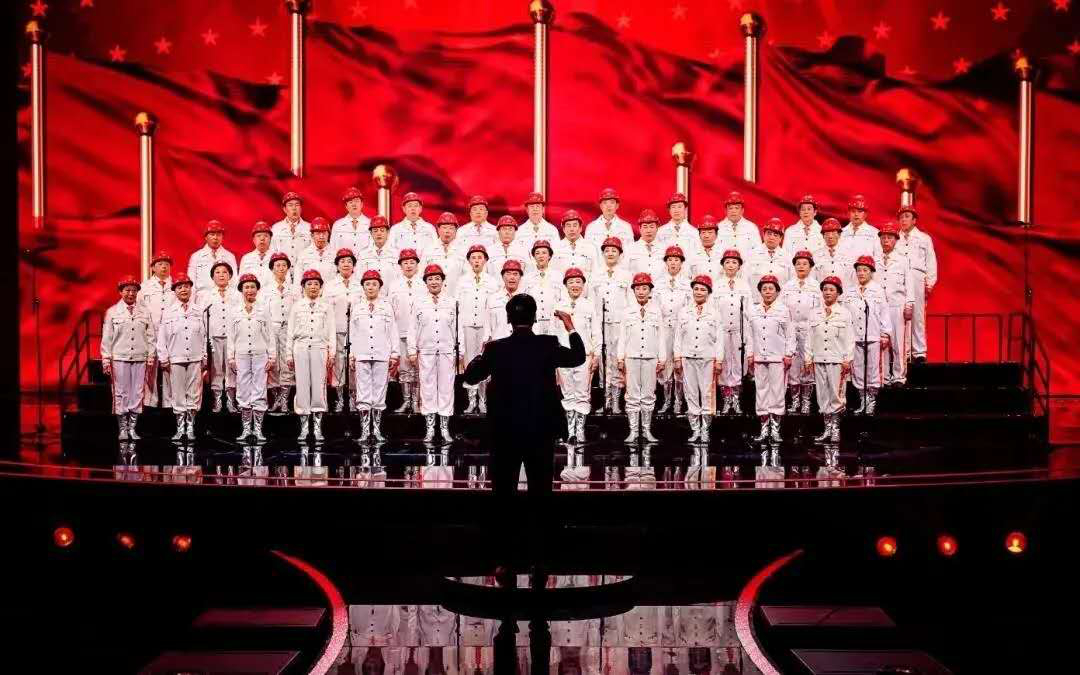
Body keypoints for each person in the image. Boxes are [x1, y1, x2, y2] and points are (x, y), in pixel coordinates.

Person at [462, 295, 585, 544]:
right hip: (540, 430)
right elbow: (578, 357)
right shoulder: (547, 344)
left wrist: (483, 352)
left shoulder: (496, 348)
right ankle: (541, 544)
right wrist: (570, 326)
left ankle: (503, 545)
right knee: (541, 491)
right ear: (534, 318)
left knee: (503, 491)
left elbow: (471, 376)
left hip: (505, 431)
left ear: (508, 319)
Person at [407, 264, 459, 443]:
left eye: (437, 278)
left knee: (446, 388)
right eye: (430, 279)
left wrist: (460, 351)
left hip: (446, 350)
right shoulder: (419, 303)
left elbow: (457, 327)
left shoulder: (452, 302)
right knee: (428, 388)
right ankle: (430, 428)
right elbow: (412, 328)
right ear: (426, 282)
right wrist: (412, 350)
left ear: (443, 281)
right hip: (426, 351)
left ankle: (444, 428)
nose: (434, 282)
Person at [102, 276, 155, 440]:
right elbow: (107, 338)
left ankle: (132, 428)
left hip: (140, 357)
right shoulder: (112, 312)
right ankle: (123, 428)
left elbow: (151, 336)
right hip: (120, 358)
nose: (131, 293)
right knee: (121, 393)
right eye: (127, 290)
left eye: (134, 290)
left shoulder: (145, 312)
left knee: (137, 393)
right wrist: (106, 359)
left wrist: (151, 356)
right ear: (121, 292)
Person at [746, 275, 795, 451]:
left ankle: (775, 429)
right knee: (761, 392)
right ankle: (763, 428)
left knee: (777, 391)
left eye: (771, 289)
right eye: (764, 288)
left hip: (777, 357)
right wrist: (750, 355)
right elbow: (750, 336)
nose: (767, 292)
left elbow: (790, 334)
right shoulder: (753, 310)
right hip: (760, 357)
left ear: (777, 291)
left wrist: (788, 354)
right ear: (760, 291)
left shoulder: (783, 310)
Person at [350, 270, 400, 442]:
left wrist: (394, 354)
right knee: (363, 392)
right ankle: (365, 431)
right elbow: (353, 333)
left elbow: (393, 331)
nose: (371, 287)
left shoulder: (386, 307)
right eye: (367, 284)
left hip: (381, 353)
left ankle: (377, 430)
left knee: (379, 392)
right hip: (362, 354)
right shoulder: (357, 307)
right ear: (363, 287)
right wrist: (352, 355)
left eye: (374, 284)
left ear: (379, 287)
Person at [156, 273, 207, 441]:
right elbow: (162, 337)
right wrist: (163, 357)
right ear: (175, 290)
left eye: (186, 286)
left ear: (191, 289)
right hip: (175, 357)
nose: (183, 289)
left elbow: (204, 335)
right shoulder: (168, 312)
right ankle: (180, 428)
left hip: (195, 357)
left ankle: (190, 427)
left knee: (194, 393)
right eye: (180, 287)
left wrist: (204, 356)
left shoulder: (198, 311)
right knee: (177, 394)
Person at [804, 276, 854, 446]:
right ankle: (827, 429)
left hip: (837, 359)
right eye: (825, 289)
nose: (827, 292)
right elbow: (809, 337)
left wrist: (847, 359)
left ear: (838, 293)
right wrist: (808, 357)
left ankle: (835, 429)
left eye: (831, 289)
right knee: (822, 395)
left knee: (836, 394)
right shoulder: (814, 313)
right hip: (819, 358)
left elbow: (849, 338)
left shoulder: (844, 313)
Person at [674, 275, 723, 445]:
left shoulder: (714, 313)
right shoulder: (684, 311)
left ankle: (705, 430)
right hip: (688, 357)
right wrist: (677, 357)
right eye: (696, 289)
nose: (699, 292)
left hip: (707, 357)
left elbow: (719, 339)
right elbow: (678, 337)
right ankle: (695, 430)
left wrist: (719, 360)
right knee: (691, 393)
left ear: (708, 292)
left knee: (707, 394)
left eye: (703, 289)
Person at [288, 269, 336, 441]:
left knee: (318, 386)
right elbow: (290, 332)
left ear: (321, 287)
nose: (313, 287)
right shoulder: (297, 306)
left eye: (316, 284)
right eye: (309, 284)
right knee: (302, 386)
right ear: (303, 287)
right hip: (300, 348)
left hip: (319, 347)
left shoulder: (326, 307)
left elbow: (331, 331)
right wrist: (288, 354)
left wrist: (332, 353)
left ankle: (316, 427)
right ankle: (303, 427)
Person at [618, 273, 666, 444]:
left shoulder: (656, 311)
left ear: (650, 290)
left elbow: (661, 336)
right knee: (632, 395)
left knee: (648, 395)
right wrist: (620, 358)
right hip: (631, 357)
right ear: (633, 291)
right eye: (638, 288)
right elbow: (622, 336)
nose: (641, 292)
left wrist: (662, 358)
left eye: (644, 288)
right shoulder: (627, 312)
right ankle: (633, 431)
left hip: (650, 357)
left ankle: (646, 431)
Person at [555, 268, 600, 445]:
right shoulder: (558, 306)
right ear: (565, 285)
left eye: (578, 282)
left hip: (584, 355)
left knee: (582, 393)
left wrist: (596, 354)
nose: (575, 285)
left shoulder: (589, 306)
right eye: (571, 282)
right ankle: (570, 430)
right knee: (567, 393)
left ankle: (580, 430)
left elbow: (596, 332)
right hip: (563, 356)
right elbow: (552, 332)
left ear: (583, 285)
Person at [228, 274, 274, 442]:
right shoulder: (234, 311)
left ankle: (258, 430)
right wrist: (231, 357)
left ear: (257, 289)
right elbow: (231, 336)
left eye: (252, 287)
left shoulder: (264, 310)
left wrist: (272, 356)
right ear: (241, 290)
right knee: (243, 390)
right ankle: (246, 429)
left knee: (259, 389)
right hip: (241, 355)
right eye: (246, 287)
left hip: (260, 354)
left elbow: (270, 334)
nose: (249, 290)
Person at [844, 256, 892, 415]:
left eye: (865, 270)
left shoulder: (878, 290)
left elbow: (884, 313)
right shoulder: (850, 291)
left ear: (871, 272)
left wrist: (885, 333)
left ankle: (872, 400)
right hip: (855, 336)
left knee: (873, 368)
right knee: (857, 369)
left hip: (873, 334)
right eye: (859, 270)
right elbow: (846, 315)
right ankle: (862, 400)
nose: (861, 273)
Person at [590, 237, 631, 414]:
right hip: (601, 324)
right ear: (603, 253)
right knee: (603, 362)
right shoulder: (595, 274)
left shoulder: (626, 275)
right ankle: (605, 401)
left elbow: (630, 301)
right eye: (607, 250)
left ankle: (616, 401)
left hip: (619, 324)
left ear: (620, 254)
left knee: (617, 361)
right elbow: (591, 301)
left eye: (614, 250)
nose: (610, 253)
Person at [457, 244, 499, 413]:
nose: (476, 261)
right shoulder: (462, 281)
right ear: (468, 261)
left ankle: (483, 401)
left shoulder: (492, 282)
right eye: (473, 258)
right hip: (467, 326)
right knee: (470, 363)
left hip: (484, 326)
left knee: (484, 363)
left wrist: (490, 332)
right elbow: (458, 307)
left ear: (485, 260)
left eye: (480, 258)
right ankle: (471, 401)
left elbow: (494, 308)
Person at [196, 261, 242, 412]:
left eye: (224, 272)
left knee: (231, 369)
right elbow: (202, 318)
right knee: (216, 370)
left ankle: (230, 400)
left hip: (231, 337)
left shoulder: (237, 295)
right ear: (212, 277)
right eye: (217, 272)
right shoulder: (206, 296)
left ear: (230, 275)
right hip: (214, 337)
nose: (221, 275)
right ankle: (217, 400)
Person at [780, 250, 822, 414]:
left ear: (811, 266)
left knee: (807, 364)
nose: (801, 266)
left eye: (805, 263)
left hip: (809, 329)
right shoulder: (788, 286)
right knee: (792, 366)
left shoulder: (816, 287)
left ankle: (806, 401)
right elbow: (783, 309)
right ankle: (795, 400)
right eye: (798, 263)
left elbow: (820, 310)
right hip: (791, 329)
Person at [896, 205, 937, 363]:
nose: (903, 220)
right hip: (900, 278)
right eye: (901, 217)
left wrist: (930, 282)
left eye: (907, 217)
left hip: (917, 277)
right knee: (901, 314)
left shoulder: (924, 238)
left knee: (917, 315)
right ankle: (904, 351)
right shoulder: (895, 238)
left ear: (914, 220)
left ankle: (919, 352)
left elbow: (931, 261)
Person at [654, 246, 692, 415]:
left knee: (679, 365)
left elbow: (690, 308)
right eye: (670, 260)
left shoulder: (687, 284)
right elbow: (655, 308)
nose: (673, 263)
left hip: (681, 329)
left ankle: (678, 401)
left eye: (676, 260)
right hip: (664, 328)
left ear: (681, 263)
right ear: (666, 262)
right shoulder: (658, 284)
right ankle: (666, 400)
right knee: (665, 365)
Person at [324, 248, 363, 411]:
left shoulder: (360, 284)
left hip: (357, 332)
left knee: (354, 364)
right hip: (337, 330)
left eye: (349, 261)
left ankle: (354, 398)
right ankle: (340, 398)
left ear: (354, 265)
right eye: (342, 261)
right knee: (339, 365)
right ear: (337, 265)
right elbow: (326, 311)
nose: (346, 264)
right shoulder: (330, 286)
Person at [877, 221, 915, 386]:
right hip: (880, 307)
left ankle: (899, 376)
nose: (886, 240)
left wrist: (909, 304)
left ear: (895, 240)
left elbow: (909, 284)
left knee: (899, 342)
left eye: (890, 238)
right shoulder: (875, 260)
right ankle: (885, 376)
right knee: (882, 342)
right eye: (884, 237)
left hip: (897, 305)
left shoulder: (903, 260)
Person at [715, 250, 752, 415]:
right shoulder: (717, 285)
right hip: (722, 331)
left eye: (734, 262)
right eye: (727, 262)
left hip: (739, 331)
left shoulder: (744, 285)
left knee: (738, 364)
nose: (731, 265)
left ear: (739, 266)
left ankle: (736, 400)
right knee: (723, 364)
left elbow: (749, 311)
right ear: (723, 265)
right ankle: (726, 400)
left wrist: (747, 333)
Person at [138, 250, 176, 408]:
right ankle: (150, 401)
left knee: (170, 366)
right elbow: (140, 309)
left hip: (171, 332)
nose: (164, 267)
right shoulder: (144, 287)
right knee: (150, 366)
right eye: (160, 264)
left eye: (166, 264)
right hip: (151, 332)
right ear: (153, 267)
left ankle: (169, 402)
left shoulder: (176, 286)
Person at [389, 248, 424, 414]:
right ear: (400, 265)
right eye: (405, 263)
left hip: (420, 333)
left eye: (412, 262)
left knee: (418, 368)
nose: (409, 265)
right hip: (401, 330)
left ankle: (417, 402)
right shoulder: (394, 285)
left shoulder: (423, 284)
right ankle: (406, 401)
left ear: (417, 265)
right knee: (404, 368)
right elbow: (390, 310)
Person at [263, 252, 299, 412]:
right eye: (277, 265)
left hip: (289, 329)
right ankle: (275, 397)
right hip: (272, 328)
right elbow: (263, 312)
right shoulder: (266, 290)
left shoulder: (294, 289)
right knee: (272, 361)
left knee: (287, 362)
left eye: (284, 265)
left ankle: (285, 399)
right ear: (272, 268)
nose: (281, 268)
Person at [420, 211, 468, 295]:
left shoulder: (463, 250)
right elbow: (421, 274)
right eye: (444, 227)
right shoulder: (429, 249)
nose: (447, 231)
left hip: (457, 296)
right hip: (432, 296)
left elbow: (468, 276)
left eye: (451, 228)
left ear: (456, 231)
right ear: (438, 229)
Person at [270, 191, 312, 286]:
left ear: (301, 208)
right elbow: (272, 253)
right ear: (285, 209)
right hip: (282, 275)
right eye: (290, 205)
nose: (294, 208)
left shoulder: (309, 228)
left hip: (304, 275)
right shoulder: (276, 229)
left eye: (297, 205)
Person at [746, 217, 791, 303]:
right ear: (763, 234)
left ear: (781, 238)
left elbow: (791, 282)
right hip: (756, 303)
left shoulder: (787, 257)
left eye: (775, 235)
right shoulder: (752, 254)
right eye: (769, 234)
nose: (771, 237)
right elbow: (745, 280)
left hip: (780, 304)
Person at [523, 239, 563, 336]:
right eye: (537, 253)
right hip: (534, 323)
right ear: (533, 256)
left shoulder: (558, 276)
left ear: (549, 256)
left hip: (554, 322)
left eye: (544, 253)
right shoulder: (527, 278)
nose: (541, 256)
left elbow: (563, 299)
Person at [187, 219, 238, 293]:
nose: (215, 238)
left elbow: (234, 282)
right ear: (206, 237)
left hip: (225, 296)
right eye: (212, 234)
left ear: (222, 237)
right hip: (202, 296)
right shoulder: (196, 257)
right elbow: (191, 283)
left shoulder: (230, 256)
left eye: (218, 235)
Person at [357, 215, 398, 295]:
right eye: (375, 231)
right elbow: (358, 279)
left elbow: (400, 279)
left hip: (391, 297)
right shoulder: (363, 254)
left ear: (388, 232)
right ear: (371, 233)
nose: (379, 233)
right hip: (369, 298)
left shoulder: (396, 254)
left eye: (382, 230)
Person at [486, 259, 525, 343]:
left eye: (515, 274)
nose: (512, 277)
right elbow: (487, 326)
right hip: (498, 344)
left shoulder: (527, 299)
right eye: (508, 274)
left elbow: (534, 326)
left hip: (521, 343)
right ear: (502, 277)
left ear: (520, 277)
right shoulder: (492, 299)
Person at [552, 210, 598, 278]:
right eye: (568, 226)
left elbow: (596, 272)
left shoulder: (590, 248)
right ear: (563, 229)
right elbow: (551, 273)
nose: (572, 229)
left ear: (580, 228)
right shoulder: (555, 248)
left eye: (575, 225)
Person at [296, 217, 338, 290]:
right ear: (312, 235)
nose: (321, 237)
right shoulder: (303, 255)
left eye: (324, 233)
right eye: (318, 233)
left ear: (328, 235)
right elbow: (297, 281)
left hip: (331, 294)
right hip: (309, 295)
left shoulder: (336, 254)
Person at [717, 191, 760, 260]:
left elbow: (758, 252)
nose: (733, 211)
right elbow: (714, 253)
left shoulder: (752, 228)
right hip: (723, 266)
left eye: (736, 208)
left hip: (747, 266)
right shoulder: (718, 228)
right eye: (730, 208)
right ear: (725, 210)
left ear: (742, 210)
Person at [841, 194, 884, 261]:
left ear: (866, 214)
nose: (856, 214)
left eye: (860, 211)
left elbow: (879, 258)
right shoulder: (840, 233)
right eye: (853, 211)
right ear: (848, 213)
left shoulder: (875, 234)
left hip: (865, 267)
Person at [331, 186, 371, 254]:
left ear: (361, 204)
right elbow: (332, 249)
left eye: (356, 201)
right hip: (343, 260)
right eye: (350, 202)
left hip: (365, 260)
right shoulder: (337, 225)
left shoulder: (370, 224)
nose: (354, 204)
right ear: (346, 206)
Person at [487, 214, 529, 279]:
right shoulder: (489, 251)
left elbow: (529, 274)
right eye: (504, 229)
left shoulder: (523, 250)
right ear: (498, 231)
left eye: (510, 229)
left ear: (515, 232)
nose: (507, 232)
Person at [626, 209, 665, 279]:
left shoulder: (665, 249)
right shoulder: (630, 248)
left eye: (652, 227)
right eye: (645, 227)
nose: (648, 230)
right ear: (639, 228)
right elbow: (624, 272)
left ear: (657, 228)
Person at [238, 221, 275, 289]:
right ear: (253, 239)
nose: (262, 239)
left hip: (272, 294)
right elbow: (240, 282)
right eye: (259, 236)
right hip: (251, 294)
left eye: (266, 236)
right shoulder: (246, 258)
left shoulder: (276, 258)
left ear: (270, 239)